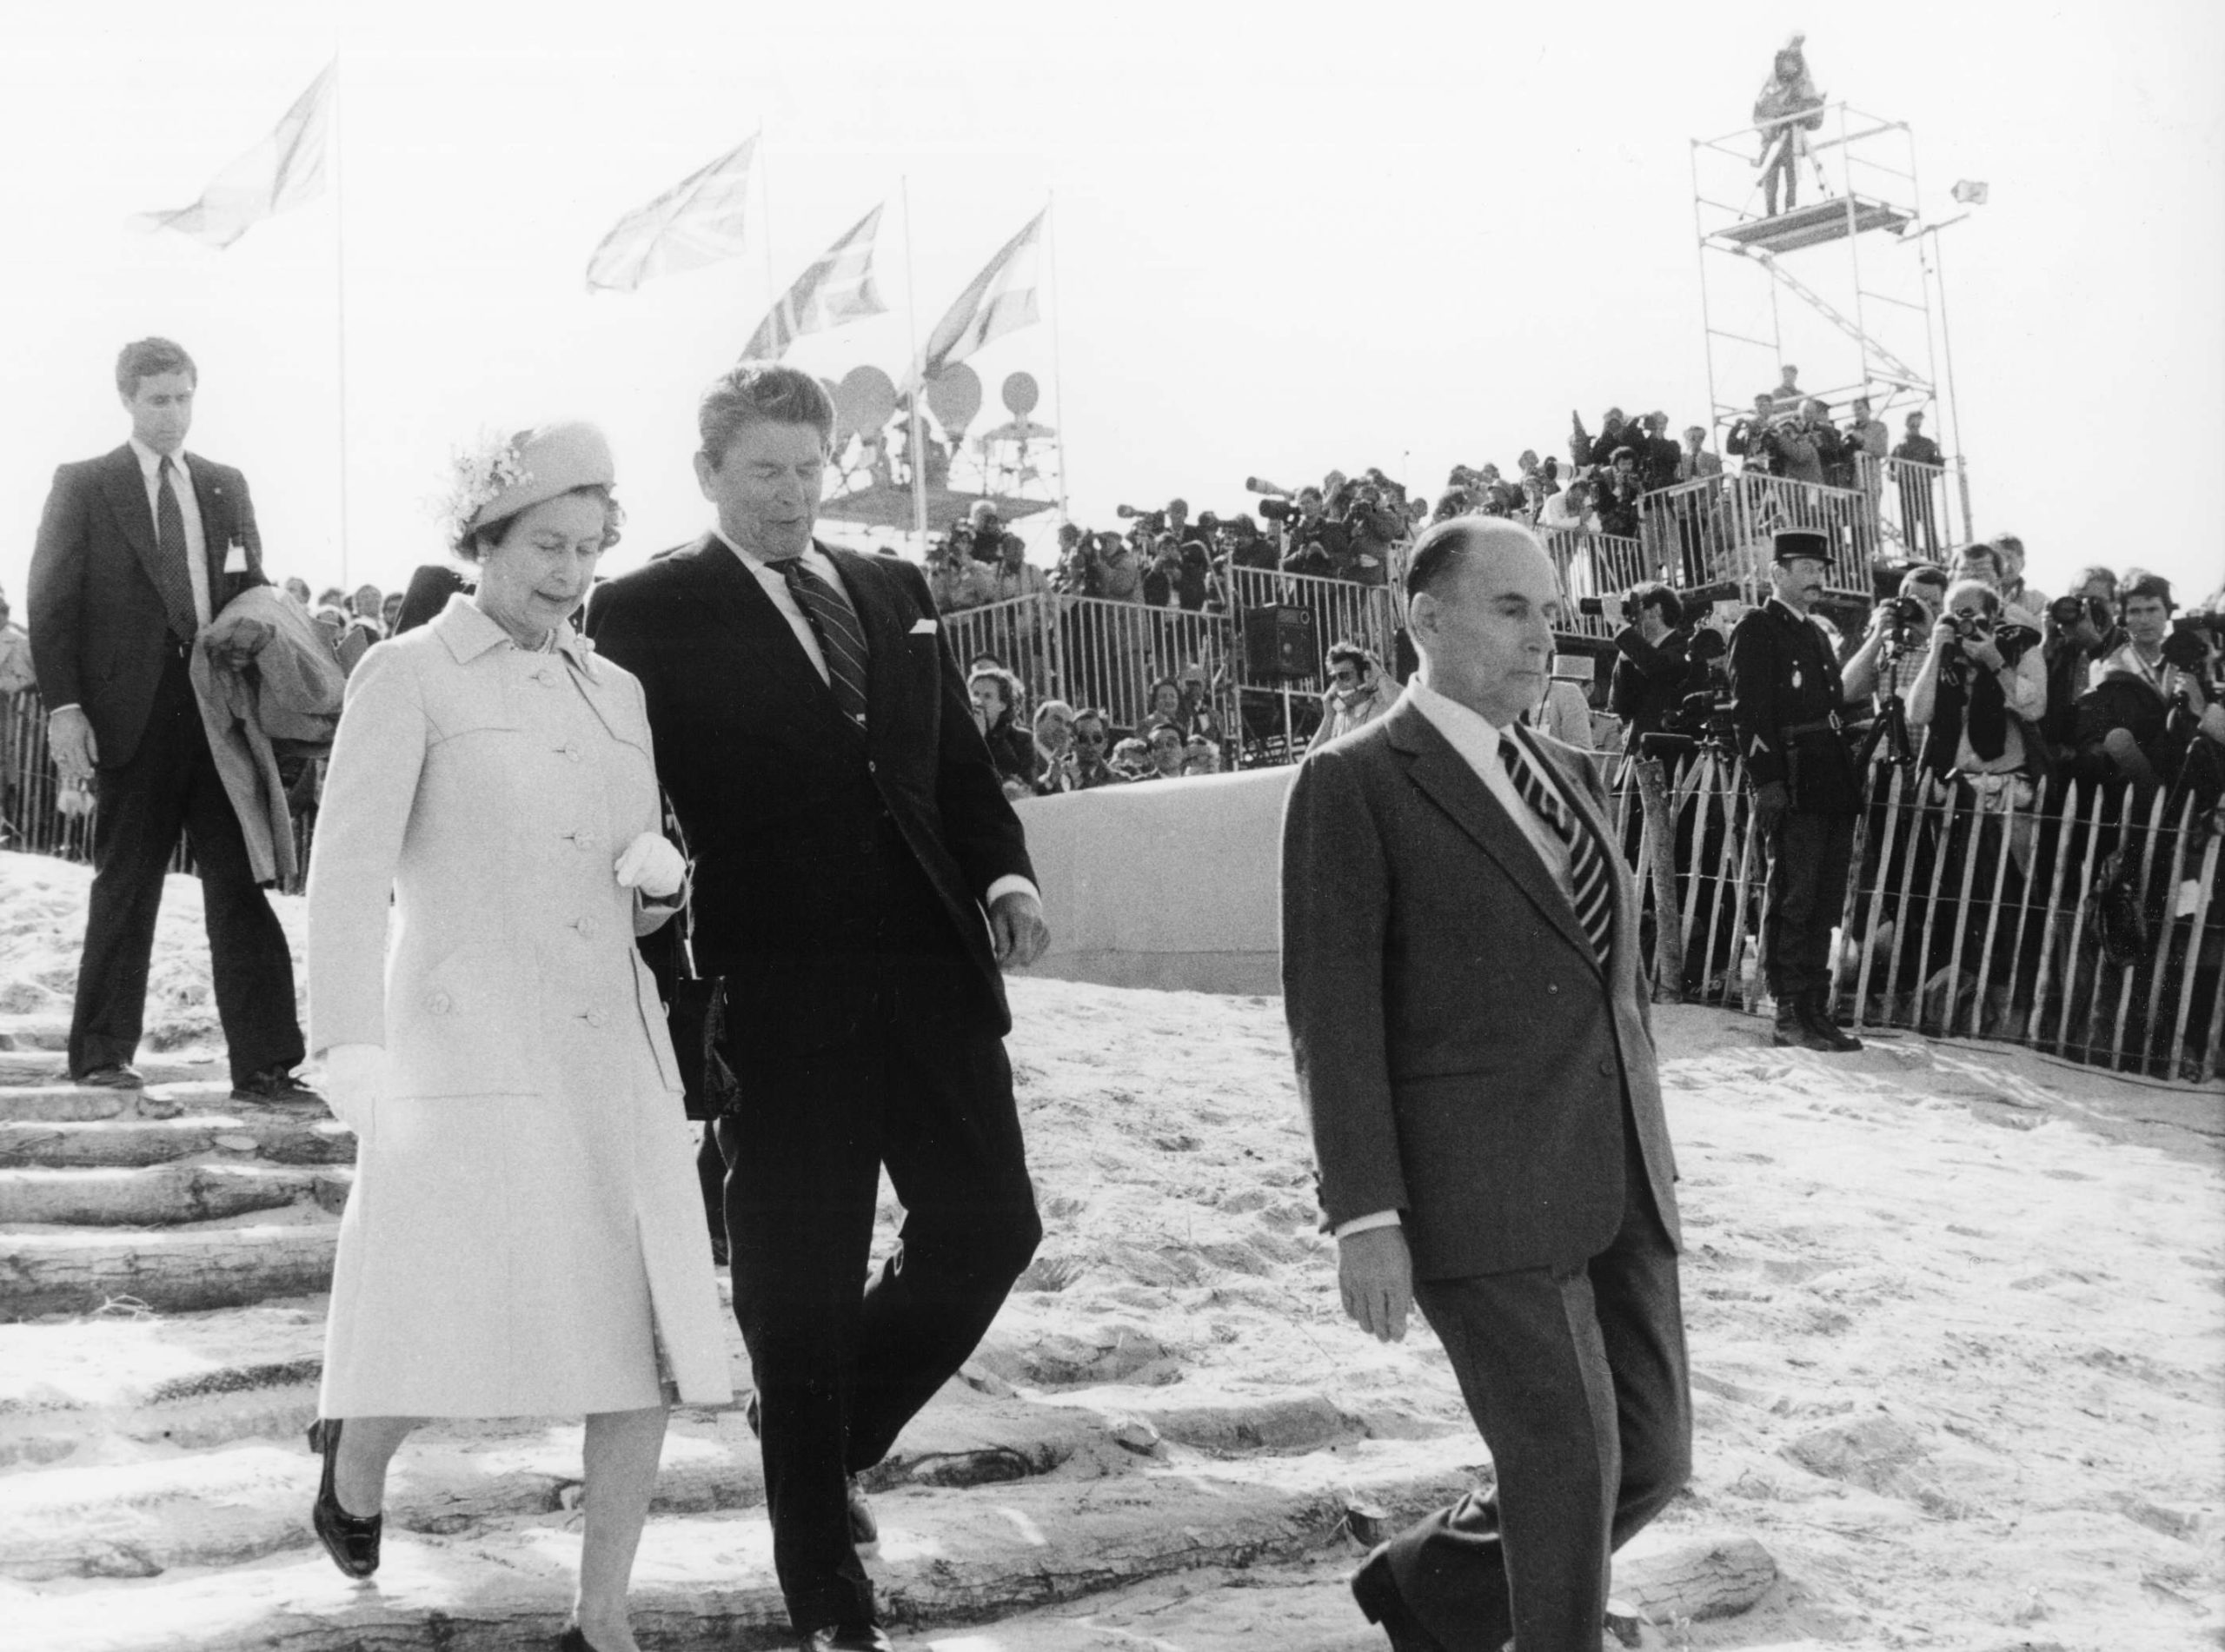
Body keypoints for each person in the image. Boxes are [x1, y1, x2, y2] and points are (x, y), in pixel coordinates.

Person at [583, 363, 1046, 1652]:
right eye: (764, 474)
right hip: (779, 1002)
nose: (791, 497)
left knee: (990, 1229)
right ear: (708, 475)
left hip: (934, 979)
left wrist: (1005, 876)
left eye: (807, 470)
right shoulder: (646, 609)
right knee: (800, 1291)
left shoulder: (893, 589)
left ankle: (826, 1434)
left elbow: (953, 763)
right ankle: (828, 1599)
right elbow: (623, 801)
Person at [303, 421, 730, 1652]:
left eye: (590, 548)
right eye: (547, 544)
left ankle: (602, 1619)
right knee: (444, 1323)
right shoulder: (409, 673)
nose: (570, 572)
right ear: (483, 541)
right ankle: (355, 1465)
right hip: (467, 1047)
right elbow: (347, 872)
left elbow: (620, 879)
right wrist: (348, 1044)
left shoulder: (617, 691)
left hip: (614, 1054)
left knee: (642, 1336)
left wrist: (659, 883)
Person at [1280, 515, 1687, 1652]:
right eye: (1510, 608)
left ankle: (1427, 1592)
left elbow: (1608, 984)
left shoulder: (1568, 771)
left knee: (1651, 1457)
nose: (1541, 636)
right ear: (1425, 617)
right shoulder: (1355, 782)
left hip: (1617, 1173)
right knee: (1567, 1460)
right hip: (1477, 1187)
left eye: (1549, 611)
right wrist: (1365, 1215)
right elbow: (1332, 1018)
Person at [23, 337, 315, 1101]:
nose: (173, 414)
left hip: (217, 713)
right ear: (126, 399)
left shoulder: (224, 484)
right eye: (158, 400)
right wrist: (65, 708)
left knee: (239, 883)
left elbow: (250, 585)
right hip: (131, 716)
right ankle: (101, 1054)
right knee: (127, 883)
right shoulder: (86, 484)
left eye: (184, 397)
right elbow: (51, 603)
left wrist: (259, 635)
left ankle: (266, 1063)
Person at [1727, 529, 1885, 1053]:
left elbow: (1833, 704)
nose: (1818, 578)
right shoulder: (1757, 628)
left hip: (1829, 774)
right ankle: (1789, 1009)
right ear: (1777, 573)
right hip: (1793, 774)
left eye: (1821, 569)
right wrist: (1767, 781)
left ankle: (1815, 1008)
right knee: (1794, 894)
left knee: (1823, 897)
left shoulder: (1816, 634)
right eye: (1807, 568)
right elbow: (1749, 713)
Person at [1609, 583, 1692, 746]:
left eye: (1634, 611)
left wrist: (1621, 626)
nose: (1631, 619)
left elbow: (1658, 666)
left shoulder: (1685, 646)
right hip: (1641, 750)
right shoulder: (1636, 654)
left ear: (1656, 610)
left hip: (1673, 748)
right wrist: (1625, 656)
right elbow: (1619, 708)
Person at [1752, 36, 1823, 217]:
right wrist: (1776, 121)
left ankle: (1791, 205)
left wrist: (1806, 108)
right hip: (1773, 137)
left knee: (1792, 173)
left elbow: (1813, 107)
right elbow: (1759, 114)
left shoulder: (1802, 79)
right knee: (1771, 172)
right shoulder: (1771, 83)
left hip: (1792, 136)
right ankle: (1771, 212)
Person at [1307, 640, 1400, 753]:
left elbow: (1411, 711)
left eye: (1344, 676)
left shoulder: (1383, 707)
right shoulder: (1340, 717)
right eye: (1334, 678)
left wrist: (1379, 677)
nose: (1337, 684)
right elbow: (1310, 760)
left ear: (1365, 676)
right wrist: (1328, 718)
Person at [967, 663, 1039, 799]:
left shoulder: (1021, 739)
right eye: (975, 694)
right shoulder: (958, 735)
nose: (979, 701)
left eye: (987, 696)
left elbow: (1027, 784)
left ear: (1003, 705)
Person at [1891, 412, 1945, 557]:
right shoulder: (1900, 446)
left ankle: (1933, 555)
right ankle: (1912, 557)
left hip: (1922, 488)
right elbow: (1892, 468)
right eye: (1913, 424)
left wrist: (1934, 465)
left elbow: (1937, 467)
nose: (1915, 427)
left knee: (1927, 522)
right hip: (1907, 489)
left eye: (1917, 424)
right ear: (1907, 424)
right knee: (1909, 523)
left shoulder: (1928, 443)